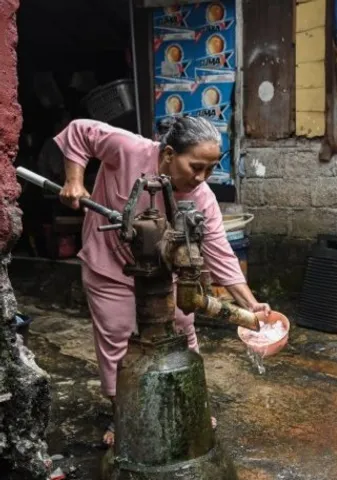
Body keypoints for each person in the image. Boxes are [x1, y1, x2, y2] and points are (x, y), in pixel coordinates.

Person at [55, 116, 270, 446]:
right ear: (169, 154)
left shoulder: (202, 199)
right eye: (195, 167)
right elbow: (79, 131)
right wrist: (74, 180)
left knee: (183, 327)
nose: (202, 178)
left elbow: (220, 253)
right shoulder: (128, 149)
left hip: (161, 273)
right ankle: (124, 415)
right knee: (117, 336)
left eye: (210, 169)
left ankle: (189, 403)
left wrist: (251, 305)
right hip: (110, 264)